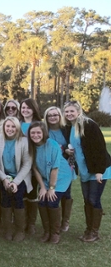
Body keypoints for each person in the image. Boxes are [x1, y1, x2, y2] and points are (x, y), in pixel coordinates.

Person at [64, 101, 111, 242]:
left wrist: (98, 171)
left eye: (72, 111)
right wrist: (68, 151)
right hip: (85, 170)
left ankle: (94, 232)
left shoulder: (89, 125)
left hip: (99, 169)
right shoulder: (70, 127)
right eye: (66, 112)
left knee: (93, 199)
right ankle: (88, 229)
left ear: (79, 111)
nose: (69, 114)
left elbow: (99, 148)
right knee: (87, 200)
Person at [27, 122, 72, 244]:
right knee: (42, 201)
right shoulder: (31, 147)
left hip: (61, 176)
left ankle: (55, 233)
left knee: (52, 201)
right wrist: (42, 187)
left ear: (44, 133)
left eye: (38, 132)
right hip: (45, 178)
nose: (35, 135)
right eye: (33, 133)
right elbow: (35, 169)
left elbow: (55, 168)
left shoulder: (52, 144)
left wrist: (51, 188)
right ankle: (47, 231)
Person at [0, 117, 32, 242]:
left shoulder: (24, 141)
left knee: (18, 197)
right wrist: (4, 179)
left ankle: (20, 230)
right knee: (5, 199)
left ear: (18, 128)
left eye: (13, 127)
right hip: (3, 175)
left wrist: (15, 182)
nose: (10, 129)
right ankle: (7, 229)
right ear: (3, 127)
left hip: (20, 177)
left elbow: (27, 164)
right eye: (8, 126)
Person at [44, 106, 75, 232]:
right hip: (49, 166)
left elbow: (73, 144)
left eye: (55, 115)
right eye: (49, 115)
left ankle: (65, 221)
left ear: (60, 116)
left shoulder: (66, 129)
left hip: (66, 165)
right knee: (51, 192)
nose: (52, 117)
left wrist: (68, 151)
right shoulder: (44, 130)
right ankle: (52, 221)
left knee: (66, 193)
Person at [19, 98, 43, 235]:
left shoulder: (39, 124)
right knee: (22, 192)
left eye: (28, 107)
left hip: (35, 164)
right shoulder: (18, 124)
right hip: (21, 165)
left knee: (32, 193)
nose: (25, 110)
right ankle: (22, 223)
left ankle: (31, 223)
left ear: (33, 109)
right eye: (23, 107)